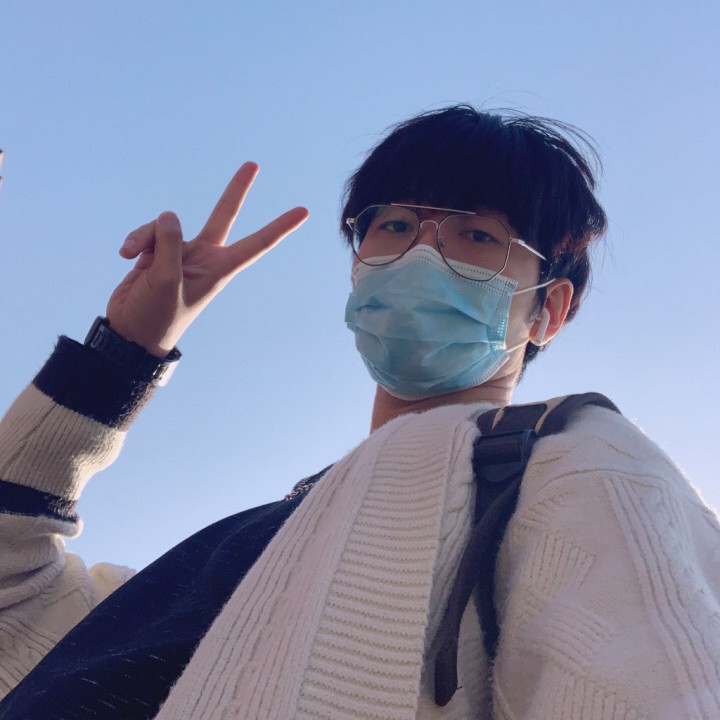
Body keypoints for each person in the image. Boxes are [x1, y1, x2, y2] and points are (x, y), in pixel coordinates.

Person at [0, 105, 718, 719]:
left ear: (548, 310)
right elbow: (14, 595)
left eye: (476, 236)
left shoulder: (575, 463)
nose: (420, 257)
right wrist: (121, 356)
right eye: (396, 225)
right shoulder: (251, 542)